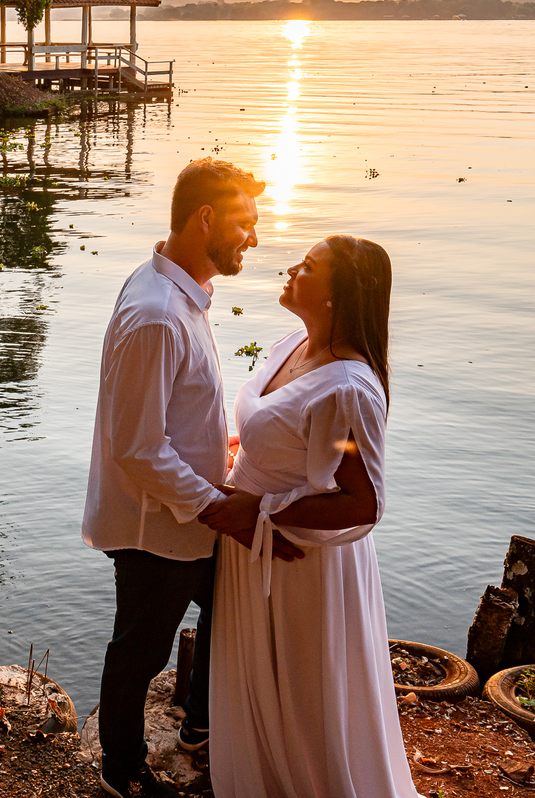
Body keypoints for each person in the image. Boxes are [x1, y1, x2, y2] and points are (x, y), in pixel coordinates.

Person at [82, 158, 300, 798]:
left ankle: (201, 728)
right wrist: (220, 504)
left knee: (235, 615)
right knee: (138, 652)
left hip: (185, 514)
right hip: (155, 527)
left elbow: (171, 414)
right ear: (206, 217)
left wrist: (223, 447)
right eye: (245, 224)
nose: (252, 239)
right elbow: (138, 447)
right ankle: (122, 771)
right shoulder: (157, 314)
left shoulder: (175, 292)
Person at [199, 235, 422, 797]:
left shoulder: (349, 389)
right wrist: (240, 457)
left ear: (339, 295)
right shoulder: (293, 343)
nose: (293, 269)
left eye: (310, 267)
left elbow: (363, 501)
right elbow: (284, 436)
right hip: (250, 540)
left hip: (299, 562)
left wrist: (264, 507)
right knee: (257, 681)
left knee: (301, 690)